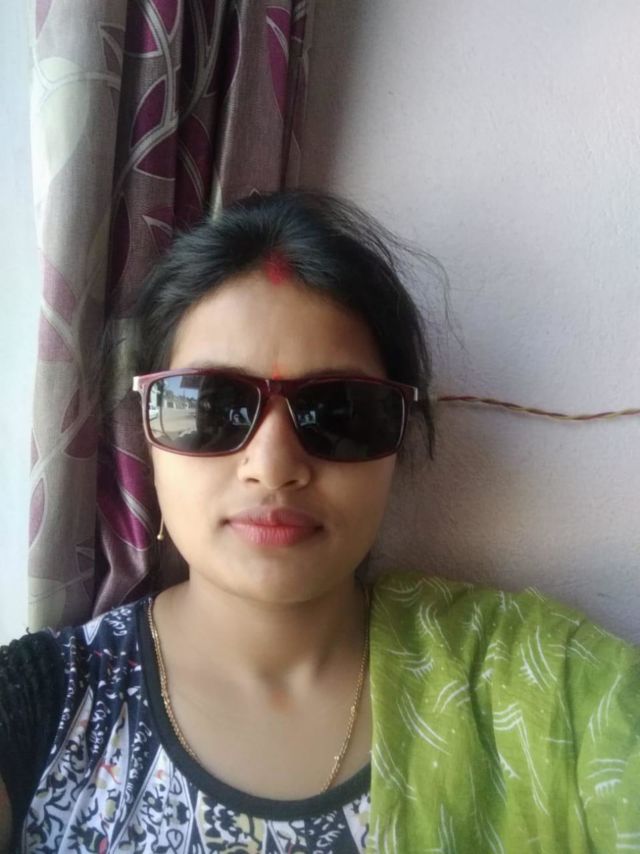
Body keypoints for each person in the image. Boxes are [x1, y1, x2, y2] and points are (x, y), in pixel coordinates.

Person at [0, 191, 638, 853]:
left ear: (399, 440)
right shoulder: (44, 704)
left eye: (338, 412)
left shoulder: (544, 686)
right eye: (213, 405)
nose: (274, 467)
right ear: (149, 435)